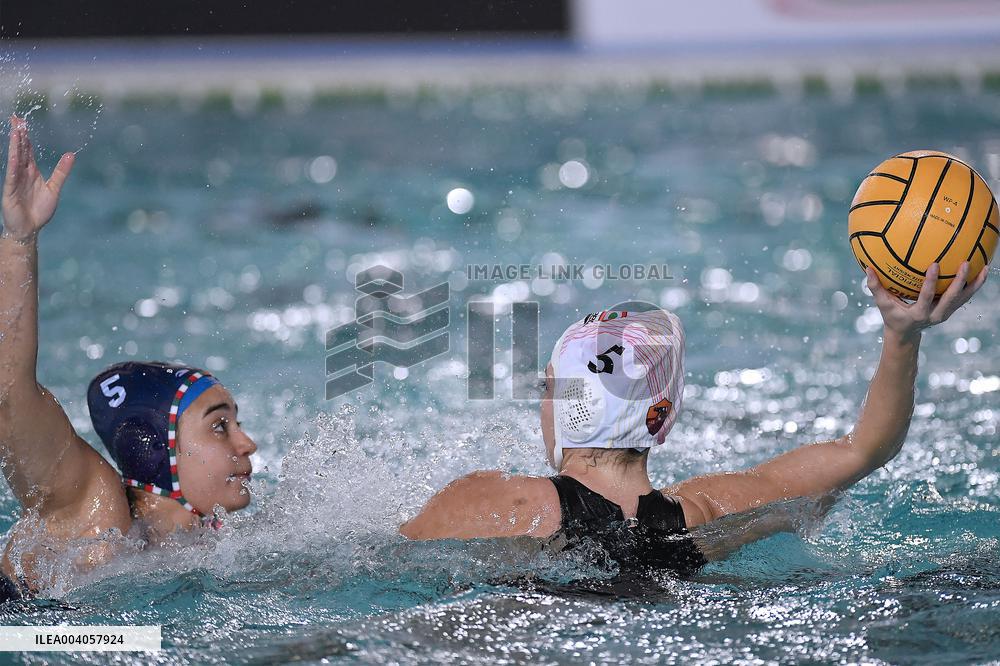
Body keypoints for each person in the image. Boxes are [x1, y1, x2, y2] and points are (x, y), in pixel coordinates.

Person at [401, 263, 987, 577]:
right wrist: (902, 332)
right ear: (662, 416)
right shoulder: (709, 514)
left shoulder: (497, 502)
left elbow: (379, 567)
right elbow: (862, 450)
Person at [0, 116, 258, 600]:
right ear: (154, 448)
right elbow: (8, 395)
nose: (248, 443)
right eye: (220, 426)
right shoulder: (95, 513)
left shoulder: (215, 543)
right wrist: (19, 242)